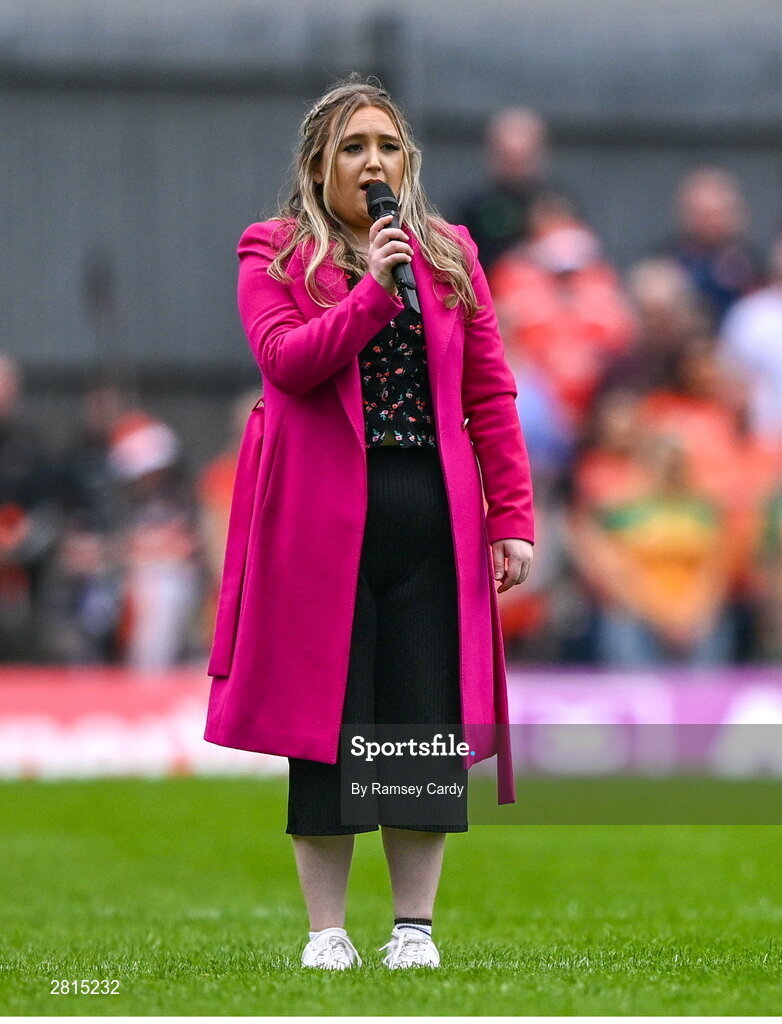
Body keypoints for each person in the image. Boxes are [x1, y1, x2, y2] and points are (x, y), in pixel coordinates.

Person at [203, 76, 535, 970]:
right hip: (317, 526)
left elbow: (490, 394)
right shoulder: (273, 253)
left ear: (408, 161)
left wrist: (512, 516)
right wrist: (371, 292)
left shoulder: (452, 252)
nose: (374, 163)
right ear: (319, 165)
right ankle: (328, 932)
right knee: (329, 724)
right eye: (354, 147)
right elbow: (287, 362)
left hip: (429, 514)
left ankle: (414, 930)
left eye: (387, 146)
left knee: (421, 722)